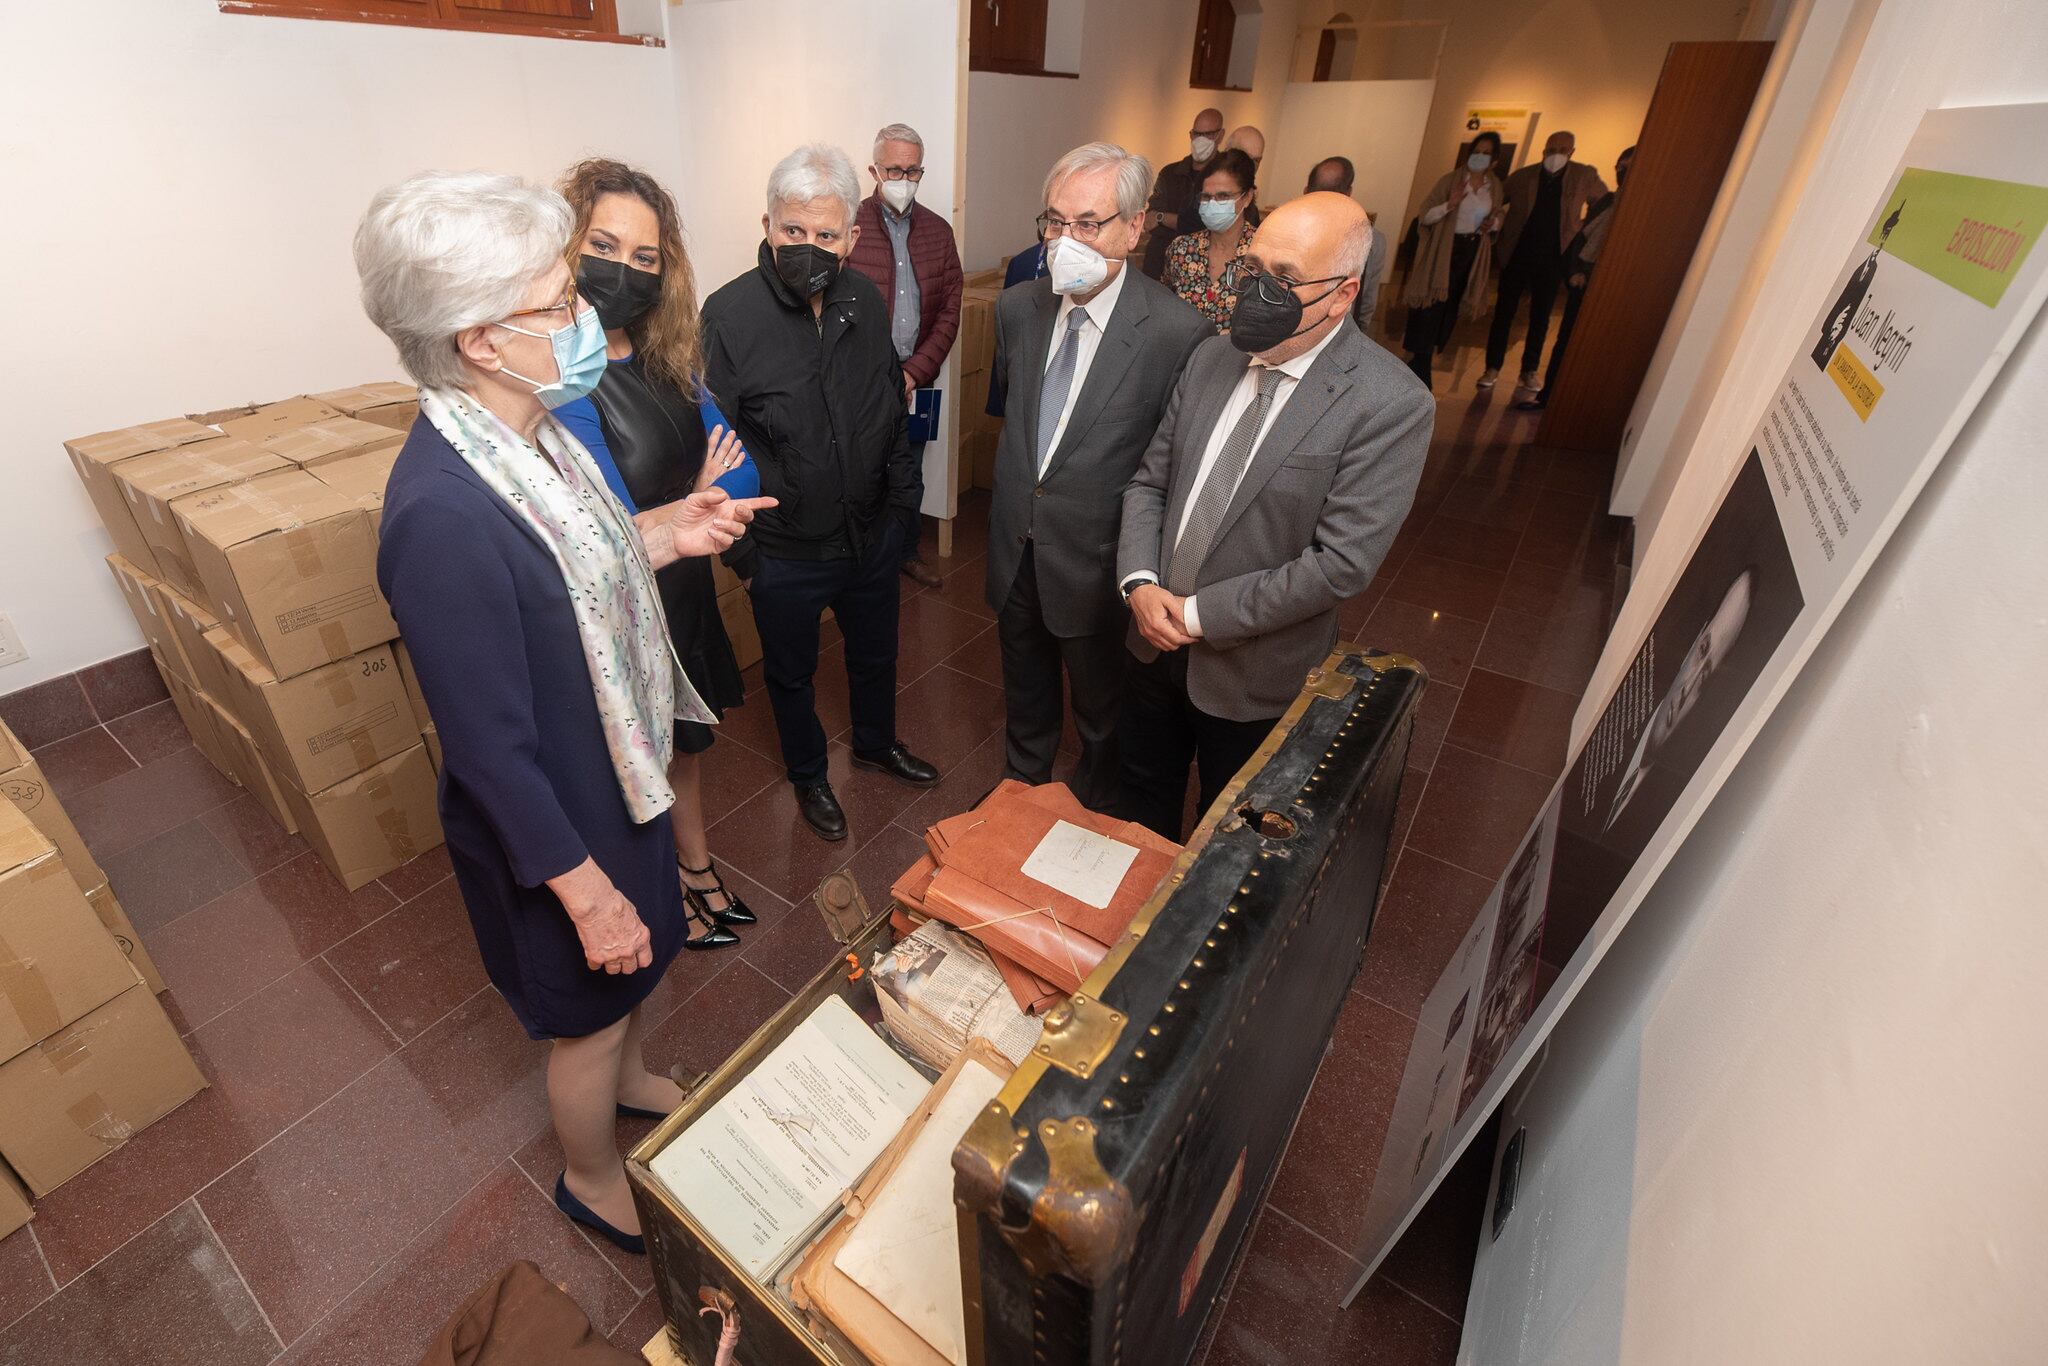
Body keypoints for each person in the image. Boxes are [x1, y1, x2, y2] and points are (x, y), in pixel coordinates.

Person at [359, 171, 773, 1253]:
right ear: (480, 341)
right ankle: (590, 1178)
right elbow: (488, 751)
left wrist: (668, 533)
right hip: (557, 816)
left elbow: (577, 573)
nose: (587, 317)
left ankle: (632, 1075)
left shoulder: (529, 431)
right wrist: (585, 896)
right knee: (589, 1003)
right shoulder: (441, 512)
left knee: (641, 977)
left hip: (616, 761)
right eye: (558, 305)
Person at [1115, 193, 1433, 840]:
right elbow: (1150, 482)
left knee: (1226, 840)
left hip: (1253, 678)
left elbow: (1340, 565)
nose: (1256, 292)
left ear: (1343, 296)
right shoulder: (1210, 357)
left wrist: (1199, 615)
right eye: (1254, 269)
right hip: (1150, 643)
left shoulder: (1391, 405)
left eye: (1284, 280)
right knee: (1141, 806)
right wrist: (1140, 585)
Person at [701, 144, 940, 842]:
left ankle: (875, 743)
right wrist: (748, 556)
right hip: (784, 550)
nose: (809, 247)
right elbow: (714, 444)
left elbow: (890, 413)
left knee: (875, 653)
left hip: (869, 535)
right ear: (768, 226)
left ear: (852, 238)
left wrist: (902, 513)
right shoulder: (729, 315)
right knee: (792, 672)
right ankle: (808, 773)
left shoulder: (861, 299)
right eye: (793, 232)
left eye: (826, 235)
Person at [551, 159, 758, 949]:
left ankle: (697, 867)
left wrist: (689, 496)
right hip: (615, 605)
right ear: (566, 247)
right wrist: (692, 492)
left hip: (682, 590)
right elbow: (601, 520)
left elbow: (743, 473)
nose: (625, 271)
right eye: (604, 245)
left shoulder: (667, 354)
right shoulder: (558, 377)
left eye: (646, 257)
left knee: (687, 745)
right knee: (629, 768)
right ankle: (656, 891)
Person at [985, 142, 1211, 809]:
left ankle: (1091, 805)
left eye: (1089, 223)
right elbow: (1026, 430)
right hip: (1016, 545)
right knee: (1024, 692)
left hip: (1100, 560)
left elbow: (1168, 468)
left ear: (1135, 227)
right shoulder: (1018, 309)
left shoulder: (1176, 332)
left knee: (1102, 711)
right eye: (1055, 222)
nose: (1066, 241)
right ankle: (1020, 793)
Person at [846, 123, 964, 590]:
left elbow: (951, 306)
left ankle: (905, 552)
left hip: (919, 381)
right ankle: (864, 560)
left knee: (909, 470)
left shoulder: (938, 230)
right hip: (864, 382)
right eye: (894, 168)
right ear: (874, 169)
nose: (903, 178)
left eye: (913, 170)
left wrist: (916, 372)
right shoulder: (850, 225)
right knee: (862, 470)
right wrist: (876, 374)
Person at [1482, 129, 1609, 395]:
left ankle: (1529, 370)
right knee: (1503, 312)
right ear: (1543, 151)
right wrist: (1493, 219)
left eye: (1561, 151)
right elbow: (1496, 199)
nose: (1555, 156)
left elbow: (1603, 203)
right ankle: (1492, 367)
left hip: (1554, 257)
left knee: (1541, 316)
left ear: (1571, 152)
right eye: (1551, 151)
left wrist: (1581, 230)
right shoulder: (1525, 176)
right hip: (1518, 252)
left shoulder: (1584, 175)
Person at [1516, 145, 1634, 410]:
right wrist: (1574, 273)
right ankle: (1548, 399)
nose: (1622, 174)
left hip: (1609, 291)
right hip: (1582, 282)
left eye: (1628, 169)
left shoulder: (1638, 213)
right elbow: (1580, 238)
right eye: (1620, 168)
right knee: (1564, 342)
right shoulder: (1606, 201)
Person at [1401, 131, 1506, 388]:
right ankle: (1421, 364)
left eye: (1486, 153)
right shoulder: (1450, 181)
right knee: (1431, 304)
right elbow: (1425, 215)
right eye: (1476, 151)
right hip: (1443, 250)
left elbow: (1496, 216)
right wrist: (1451, 203)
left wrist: (1494, 223)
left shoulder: (1495, 187)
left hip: (1471, 251)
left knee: (1450, 306)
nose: (1479, 157)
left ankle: (1422, 359)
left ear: (1494, 160)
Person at [1165, 149, 1260, 331]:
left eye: (1223, 196)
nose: (1213, 203)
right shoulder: (1182, 249)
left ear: (1247, 197)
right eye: (1206, 197)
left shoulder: (1262, 256)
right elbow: (1165, 306)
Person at [1305, 156, 1387, 336]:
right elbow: (1366, 303)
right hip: (1340, 334)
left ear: (1305, 191)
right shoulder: (1373, 240)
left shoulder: (1286, 229)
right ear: (1348, 193)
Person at [1142, 107, 1226, 279]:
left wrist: (1163, 218)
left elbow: (1203, 225)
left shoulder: (1223, 177)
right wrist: (1166, 219)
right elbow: (1150, 219)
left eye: (1208, 134)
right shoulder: (1170, 173)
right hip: (1159, 262)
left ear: (1220, 135)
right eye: (1196, 134)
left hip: (1199, 270)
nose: (1200, 140)